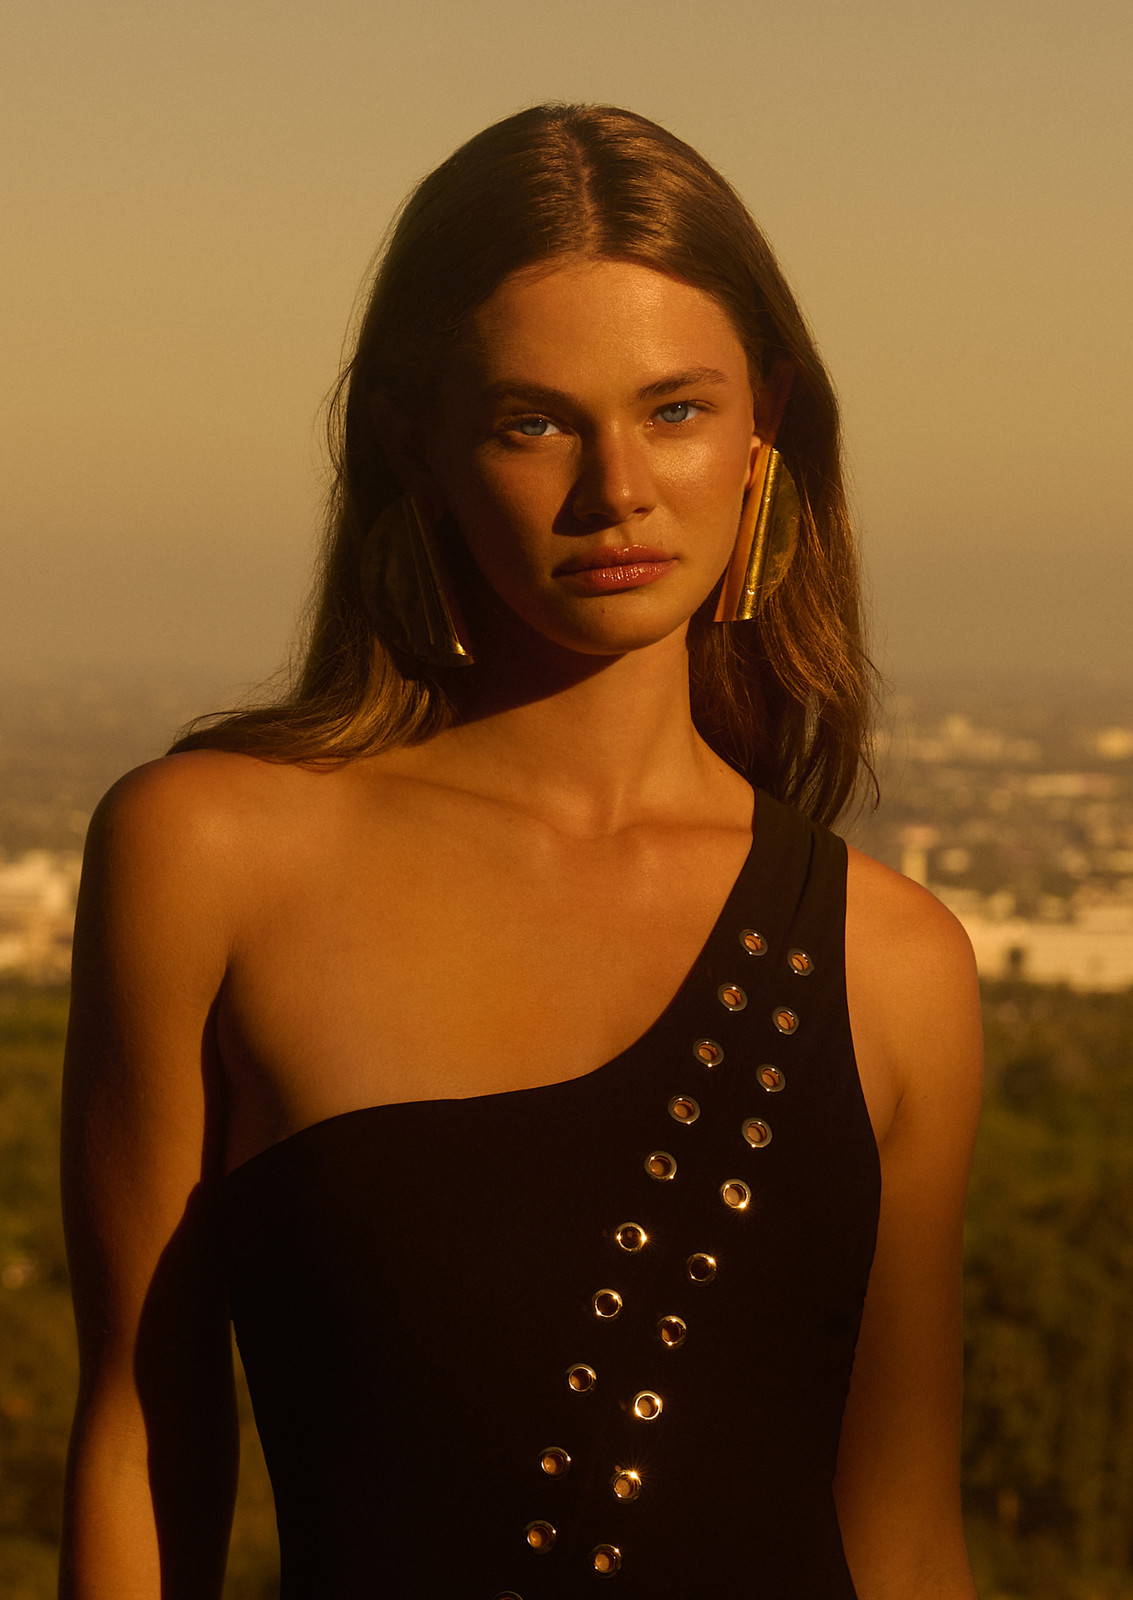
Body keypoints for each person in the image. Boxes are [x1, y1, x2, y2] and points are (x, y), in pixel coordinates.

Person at [59, 104, 982, 1598]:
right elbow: (138, 1440)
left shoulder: (897, 962)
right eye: (534, 419)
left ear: (767, 433)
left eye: (675, 409)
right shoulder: (209, 854)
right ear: (414, 444)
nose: (615, 487)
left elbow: (904, 1538)